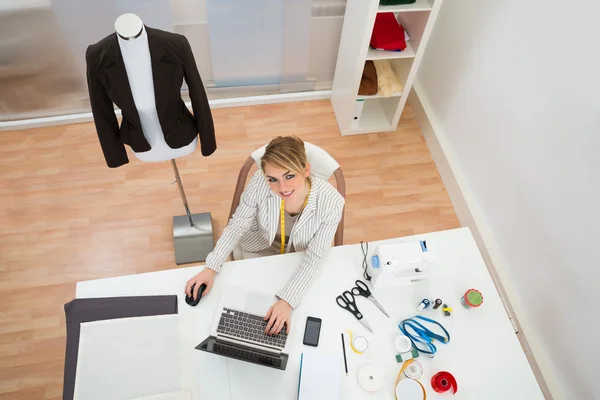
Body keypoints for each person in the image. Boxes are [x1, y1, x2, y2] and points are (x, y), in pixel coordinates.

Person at [185, 136, 344, 336]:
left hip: (297, 258)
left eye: (289, 176)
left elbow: (315, 257)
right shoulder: (260, 182)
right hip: (258, 247)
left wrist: (287, 301)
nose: (282, 188)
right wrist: (211, 267)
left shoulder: (332, 202)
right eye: (273, 179)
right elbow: (237, 225)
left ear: (306, 170)